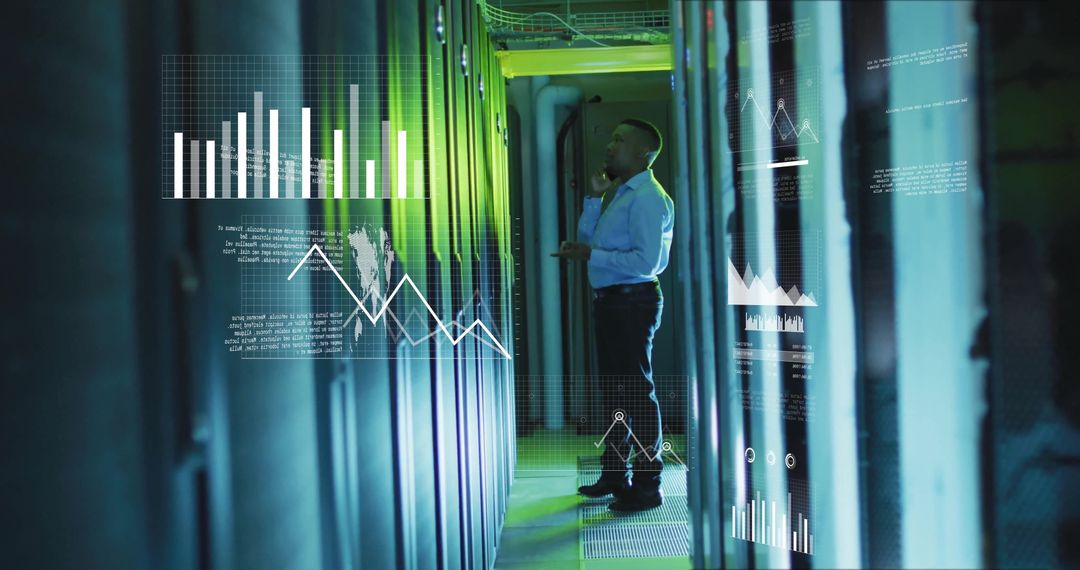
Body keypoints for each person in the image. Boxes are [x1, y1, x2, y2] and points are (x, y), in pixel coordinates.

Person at [551, 118, 674, 512]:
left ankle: (648, 485)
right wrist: (593, 197)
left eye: (619, 140)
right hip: (613, 302)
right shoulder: (622, 194)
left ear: (642, 153)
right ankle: (615, 473)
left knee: (637, 391)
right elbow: (590, 240)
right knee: (616, 390)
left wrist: (592, 256)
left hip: (632, 302)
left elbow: (648, 261)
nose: (610, 145)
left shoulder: (648, 198)